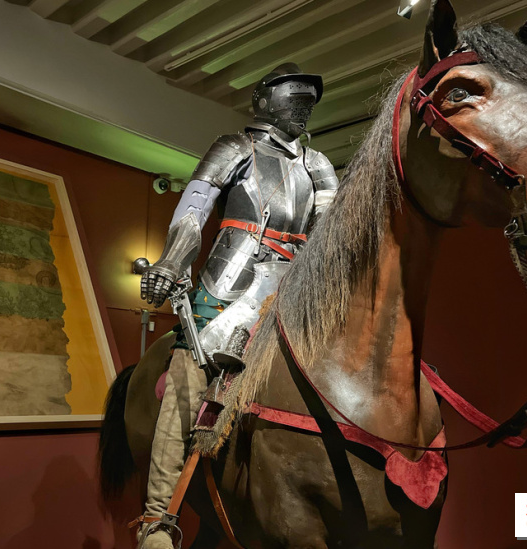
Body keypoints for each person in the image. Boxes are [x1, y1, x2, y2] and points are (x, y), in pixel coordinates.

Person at [137, 62, 338, 548]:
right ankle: (158, 519)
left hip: (295, 290)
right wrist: (172, 261)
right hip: (229, 288)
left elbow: (331, 234)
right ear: (265, 100)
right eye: (295, 100)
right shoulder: (235, 147)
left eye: (308, 104)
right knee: (188, 381)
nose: (303, 110)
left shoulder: (318, 165)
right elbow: (194, 207)